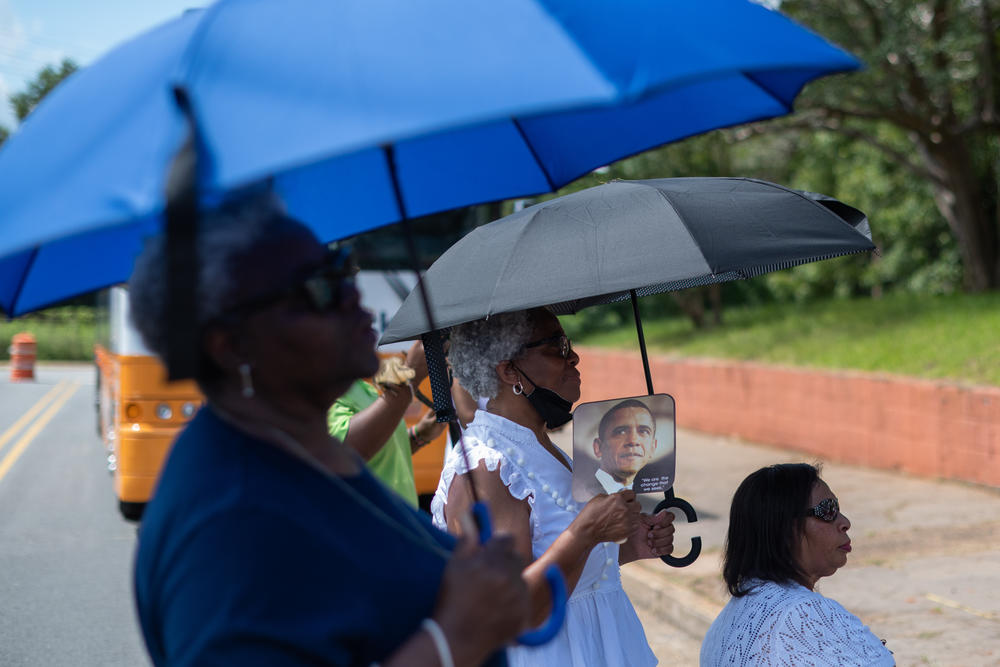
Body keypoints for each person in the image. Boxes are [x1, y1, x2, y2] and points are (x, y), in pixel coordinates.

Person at [130, 196, 529, 666]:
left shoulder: (288, 446)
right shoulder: (229, 528)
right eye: (320, 287)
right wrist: (456, 637)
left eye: (344, 267)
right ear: (230, 344)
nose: (353, 296)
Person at [433, 307, 674, 666]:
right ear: (509, 370)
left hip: (600, 644)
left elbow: (563, 563)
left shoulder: (537, 446)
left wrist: (623, 550)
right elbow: (515, 613)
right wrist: (588, 532)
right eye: (557, 346)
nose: (574, 357)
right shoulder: (487, 467)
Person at [700, 463, 895, 666]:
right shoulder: (802, 612)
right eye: (828, 510)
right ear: (784, 530)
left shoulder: (723, 625)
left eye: (838, 509)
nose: (845, 522)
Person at [328, 340, 445, 506]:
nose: (370, 322)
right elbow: (346, 452)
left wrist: (418, 436)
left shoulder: (359, 386)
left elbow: (378, 451)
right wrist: (409, 379)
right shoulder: (323, 389)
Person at [586, 398, 659, 495]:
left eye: (644, 431)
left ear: (653, 447)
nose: (633, 441)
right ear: (598, 447)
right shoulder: (584, 493)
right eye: (621, 432)